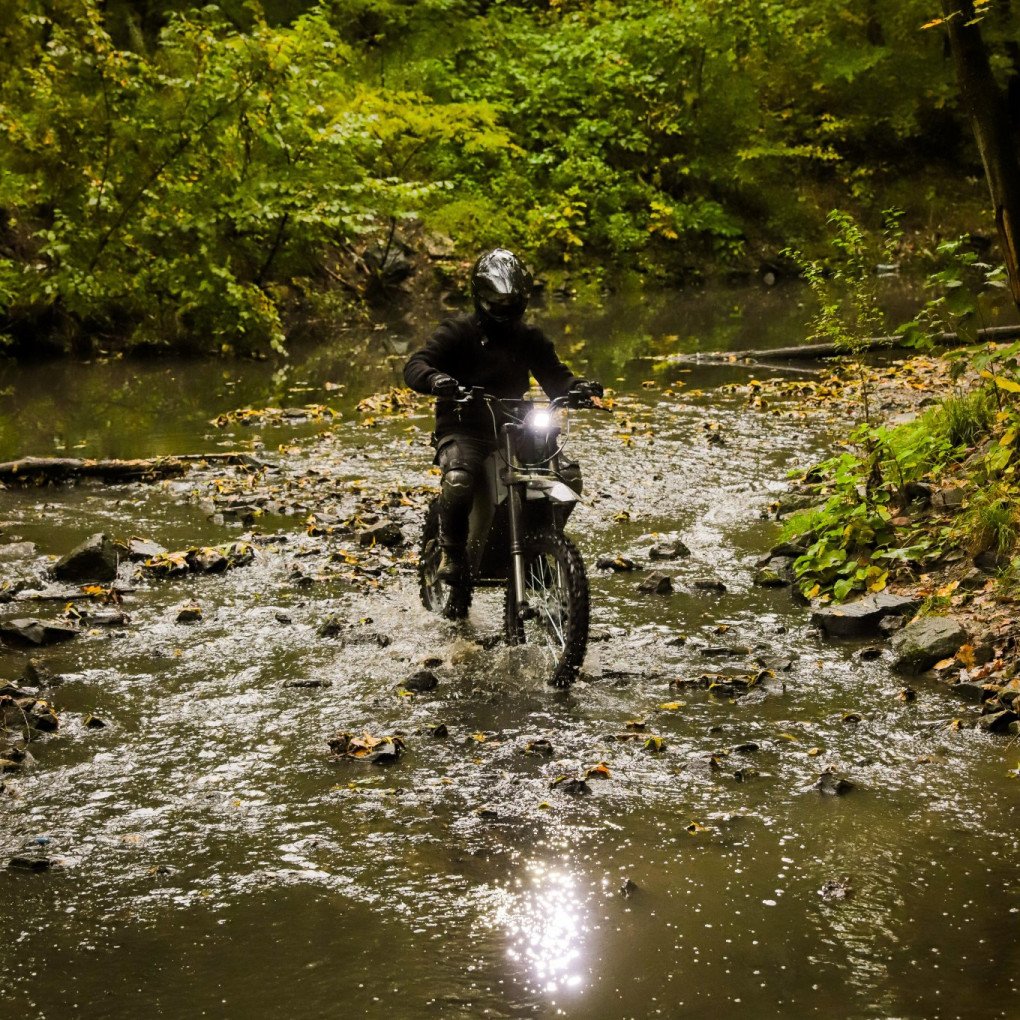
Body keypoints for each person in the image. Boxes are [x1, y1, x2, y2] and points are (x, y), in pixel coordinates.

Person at [404, 248, 602, 581]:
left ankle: (540, 542)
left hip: (518, 423)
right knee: (458, 481)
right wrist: (436, 380)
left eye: (512, 305)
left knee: (567, 475)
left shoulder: (529, 338)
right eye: (498, 305)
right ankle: (452, 554)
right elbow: (416, 365)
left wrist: (578, 388)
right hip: (465, 425)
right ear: (481, 297)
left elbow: (555, 377)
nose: (505, 312)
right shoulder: (457, 332)